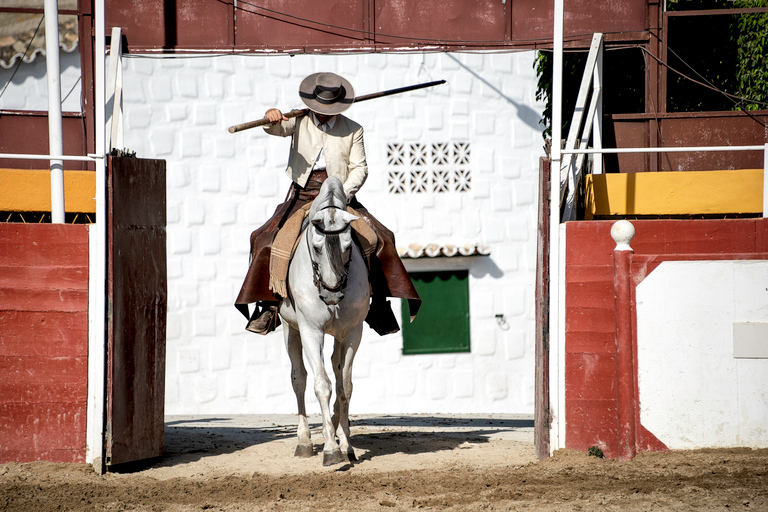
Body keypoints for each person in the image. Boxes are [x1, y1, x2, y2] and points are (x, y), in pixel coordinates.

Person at [235, 72, 420, 335]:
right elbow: (277, 128)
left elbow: (360, 168)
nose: (323, 115)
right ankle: (269, 305)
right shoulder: (298, 120)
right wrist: (271, 116)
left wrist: (340, 194)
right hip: (303, 194)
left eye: (328, 110)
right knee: (264, 239)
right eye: (319, 110)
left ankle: (378, 303)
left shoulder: (353, 129)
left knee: (382, 239)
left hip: (340, 194)